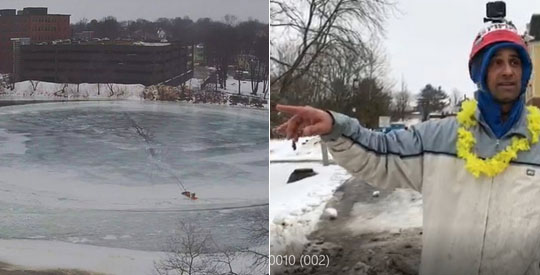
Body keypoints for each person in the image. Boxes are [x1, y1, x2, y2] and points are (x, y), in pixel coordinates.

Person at [275, 20, 540, 275]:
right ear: (479, 71)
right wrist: (335, 125)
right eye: (496, 61)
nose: (508, 71)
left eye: (515, 62)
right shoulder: (438, 138)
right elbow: (379, 154)